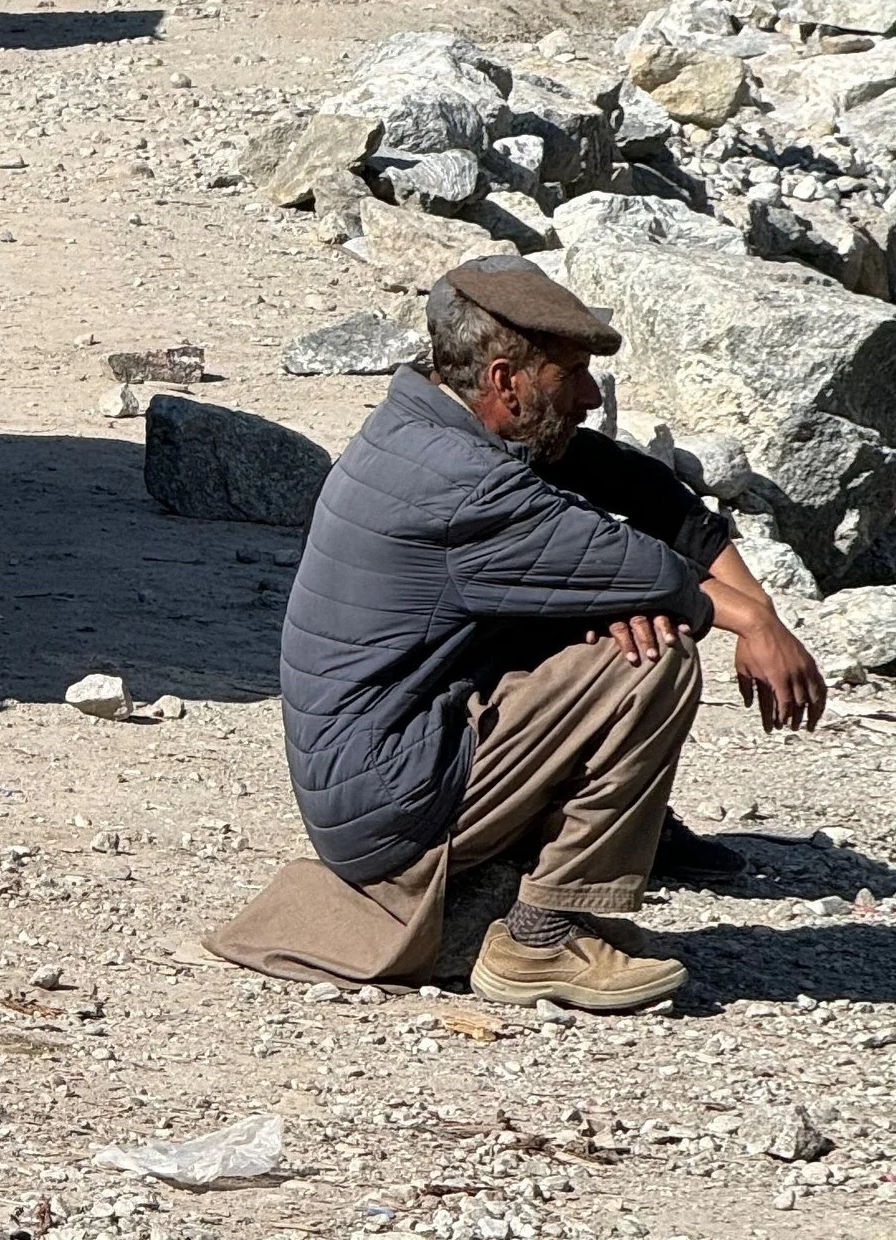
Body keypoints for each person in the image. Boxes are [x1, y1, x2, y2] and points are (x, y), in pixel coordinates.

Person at [207, 256, 826, 1010]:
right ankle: (540, 939)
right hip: (394, 801)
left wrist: (751, 606)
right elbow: (656, 574)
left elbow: (640, 490)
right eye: (573, 375)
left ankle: (620, 833)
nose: (592, 395)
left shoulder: (427, 418)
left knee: (610, 614)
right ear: (505, 382)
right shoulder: (461, 482)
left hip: (390, 759)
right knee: (648, 657)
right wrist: (754, 623)